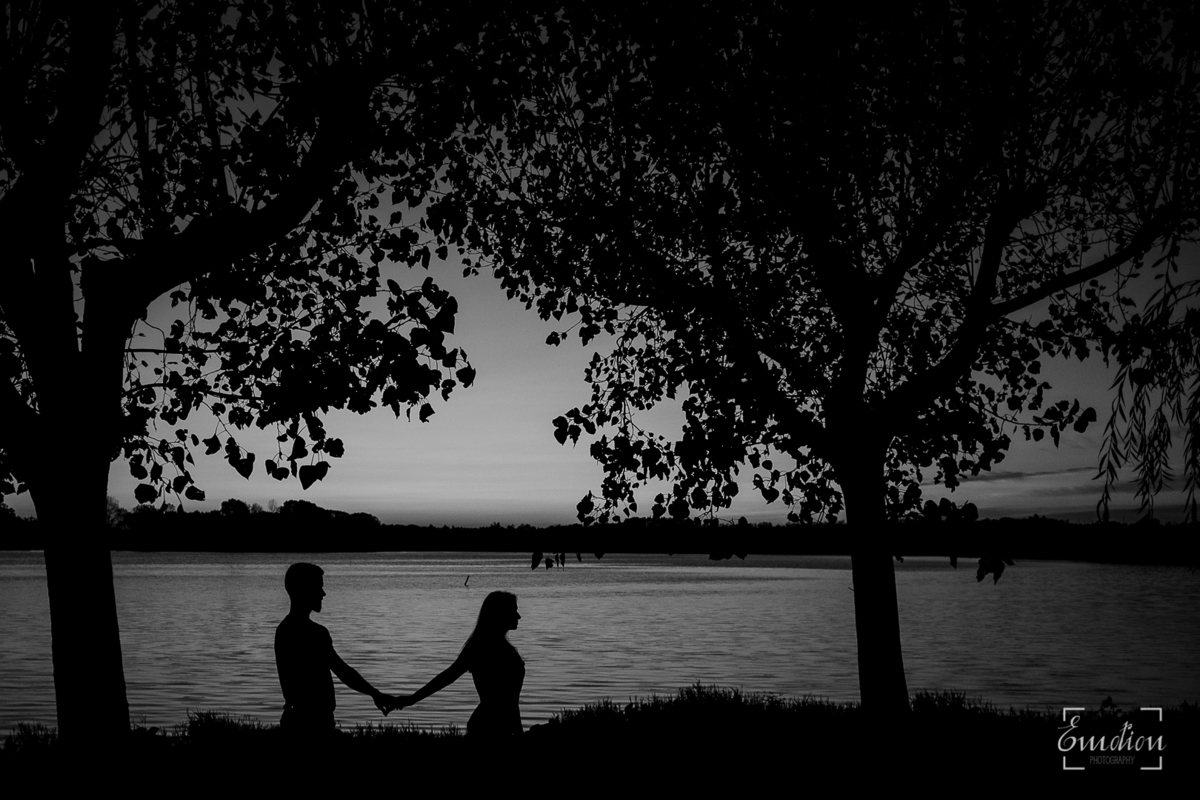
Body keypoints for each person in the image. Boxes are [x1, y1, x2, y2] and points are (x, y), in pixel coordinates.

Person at [274, 562, 392, 738]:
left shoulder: (283, 630)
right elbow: (342, 671)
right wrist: (374, 694)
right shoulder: (315, 633)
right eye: (318, 587)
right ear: (304, 589)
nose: (323, 593)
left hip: (293, 720)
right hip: (313, 724)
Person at [389, 591, 525, 739]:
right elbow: (448, 676)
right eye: (514, 610)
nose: (518, 616)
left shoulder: (500, 647)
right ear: (500, 613)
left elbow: (511, 702)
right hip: (487, 727)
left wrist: (518, 731)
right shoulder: (480, 646)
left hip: (501, 726)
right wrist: (411, 699)